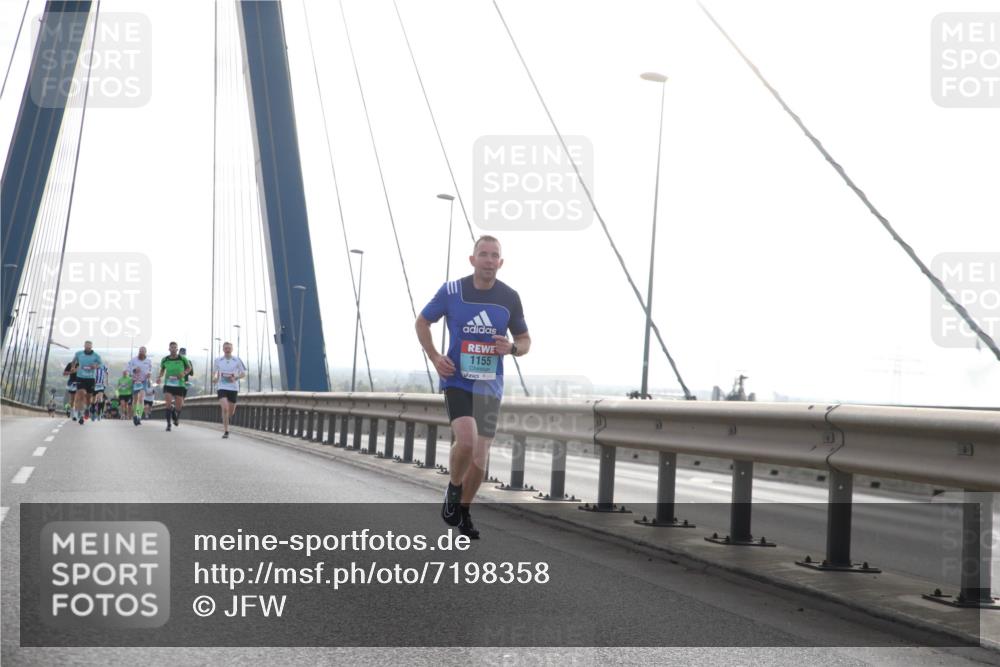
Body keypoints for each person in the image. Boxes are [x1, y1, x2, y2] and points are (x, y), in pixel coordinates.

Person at [415, 235, 530, 539]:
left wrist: (512, 348)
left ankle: (464, 511)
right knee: (465, 440)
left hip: (489, 385)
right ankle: (454, 489)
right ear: (473, 259)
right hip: (457, 378)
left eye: (495, 256)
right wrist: (435, 357)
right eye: (484, 254)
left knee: (480, 458)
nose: (489, 260)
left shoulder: (510, 297)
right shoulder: (452, 291)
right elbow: (422, 322)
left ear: (500, 263)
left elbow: (525, 341)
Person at [212, 341, 246, 439]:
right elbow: (214, 372)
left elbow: (243, 374)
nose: (227, 349)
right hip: (221, 387)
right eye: (226, 348)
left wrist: (235, 378)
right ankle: (226, 431)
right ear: (223, 349)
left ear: (232, 349)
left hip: (233, 388)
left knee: (230, 412)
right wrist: (214, 378)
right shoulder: (218, 360)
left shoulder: (237, 360)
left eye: (229, 348)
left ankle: (225, 417)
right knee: (225, 408)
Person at [158, 342, 192, 432]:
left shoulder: (182, 358)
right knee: (168, 405)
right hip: (168, 384)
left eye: (175, 347)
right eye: (171, 347)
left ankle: (175, 414)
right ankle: (168, 425)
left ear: (177, 349)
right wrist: (159, 376)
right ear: (169, 349)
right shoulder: (165, 359)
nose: (173, 349)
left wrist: (184, 373)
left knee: (179, 407)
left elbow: (189, 368)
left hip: (179, 384)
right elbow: (162, 369)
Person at [71, 341, 103, 425]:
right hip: (80, 377)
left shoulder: (96, 356)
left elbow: (101, 364)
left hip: (91, 378)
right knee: (81, 394)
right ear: (84, 346)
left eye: (89, 347)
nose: (88, 348)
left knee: (88, 398)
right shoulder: (79, 354)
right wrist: (73, 367)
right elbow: (74, 361)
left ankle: (87, 408)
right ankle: (81, 415)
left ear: (91, 347)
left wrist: (95, 366)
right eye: (86, 346)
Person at [126, 346, 153, 426]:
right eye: (140, 351)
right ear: (139, 352)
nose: (141, 352)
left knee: (141, 399)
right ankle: (135, 415)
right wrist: (134, 370)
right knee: (135, 400)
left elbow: (150, 370)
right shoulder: (133, 360)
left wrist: (149, 374)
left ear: (145, 352)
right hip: (135, 381)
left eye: (143, 351)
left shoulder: (148, 361)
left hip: (143, 381)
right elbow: (128, 369)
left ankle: (138, 416)